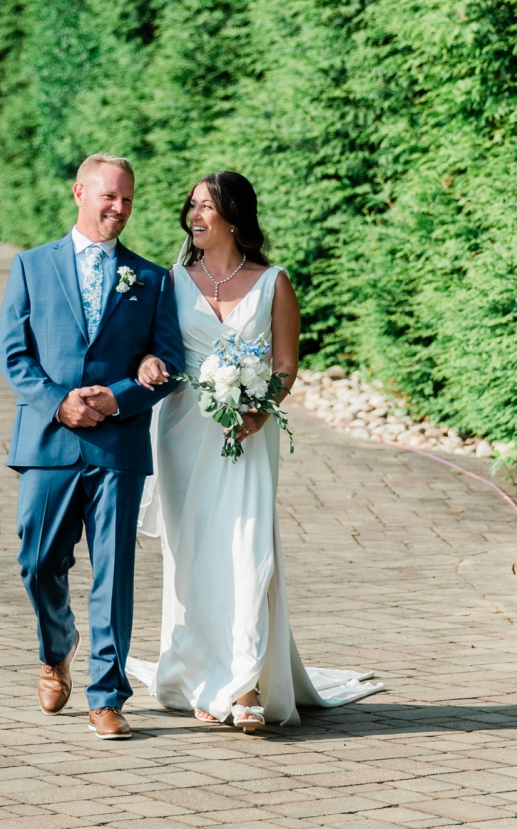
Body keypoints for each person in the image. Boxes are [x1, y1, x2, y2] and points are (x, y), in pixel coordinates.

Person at [125, 173, 383, 730]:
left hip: (249, 433)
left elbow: (286, 366)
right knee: (191, 560)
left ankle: (242, 686)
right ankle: (199, 676)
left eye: (206, 208)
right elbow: (153, 352)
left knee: (247, 551)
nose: (194, 216)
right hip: (181, 435)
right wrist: (147, 364)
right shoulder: (170, 281)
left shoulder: (273, 283)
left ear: (234, 218)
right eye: (191, 206)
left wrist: (260, 409)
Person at [0, 153, 183, 741]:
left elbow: (170, 363)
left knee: (114, 572)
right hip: (48, 441)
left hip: (118, 448)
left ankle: (108, 696)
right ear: (80, 192)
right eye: (108, 197)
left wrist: (121, 397)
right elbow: (13, 355)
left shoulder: (151, 279)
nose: (119, 209)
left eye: (127, 200)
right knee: (37, 562)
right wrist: (60, 401)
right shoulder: (30, 266)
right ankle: (57, 647)